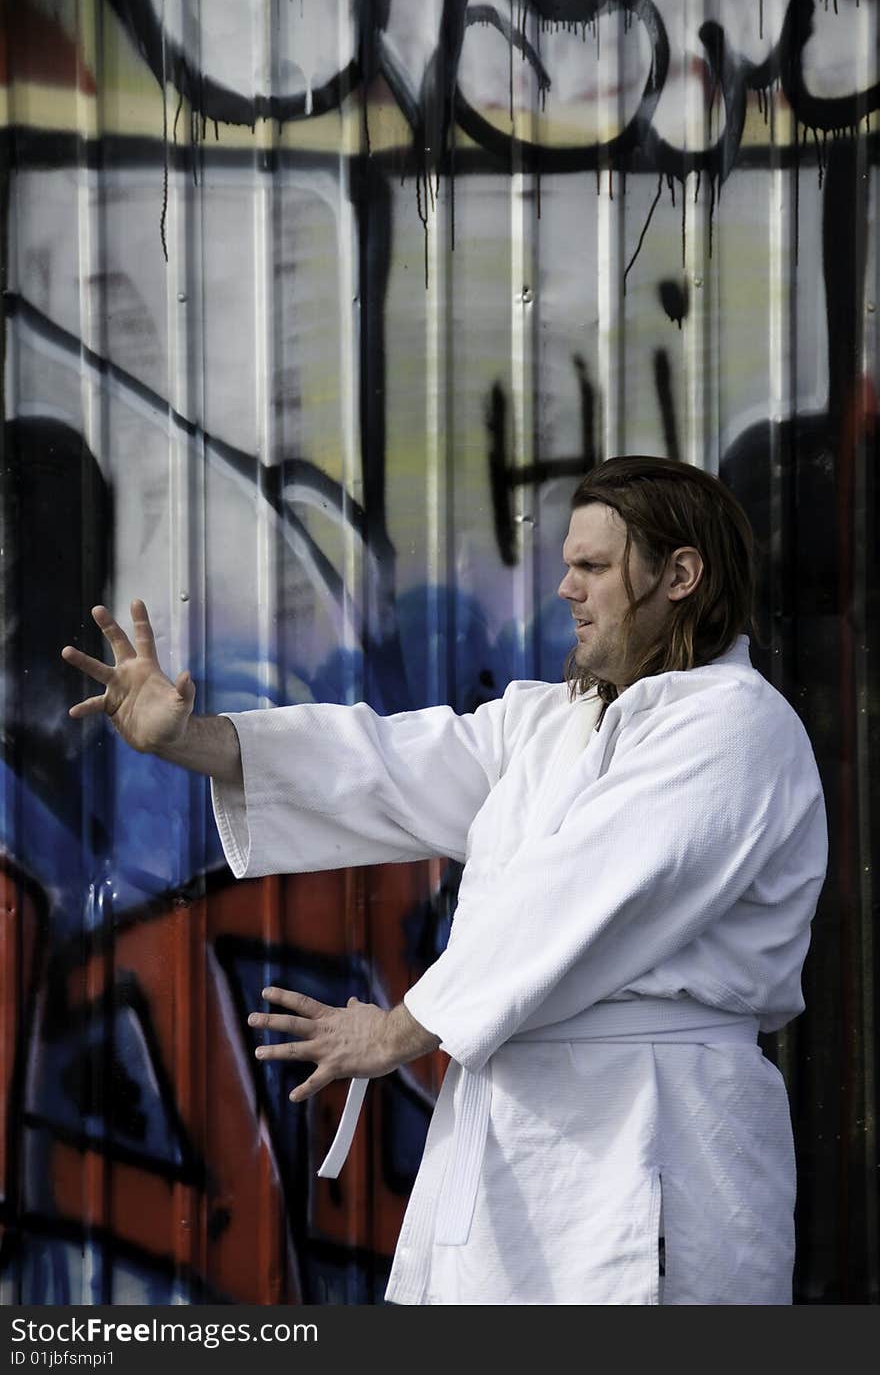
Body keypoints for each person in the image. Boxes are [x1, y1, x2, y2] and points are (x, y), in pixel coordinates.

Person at [62, 455, 828, 1305]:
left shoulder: (737, 727)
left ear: (680, 574)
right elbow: (388, 765)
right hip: (512, 1163)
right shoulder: (550, 723)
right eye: (567, 565)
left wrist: (398, 1030)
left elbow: (584, 897)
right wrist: (191, 739)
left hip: (654, 1150)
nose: (567, 588)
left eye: (594, 568)